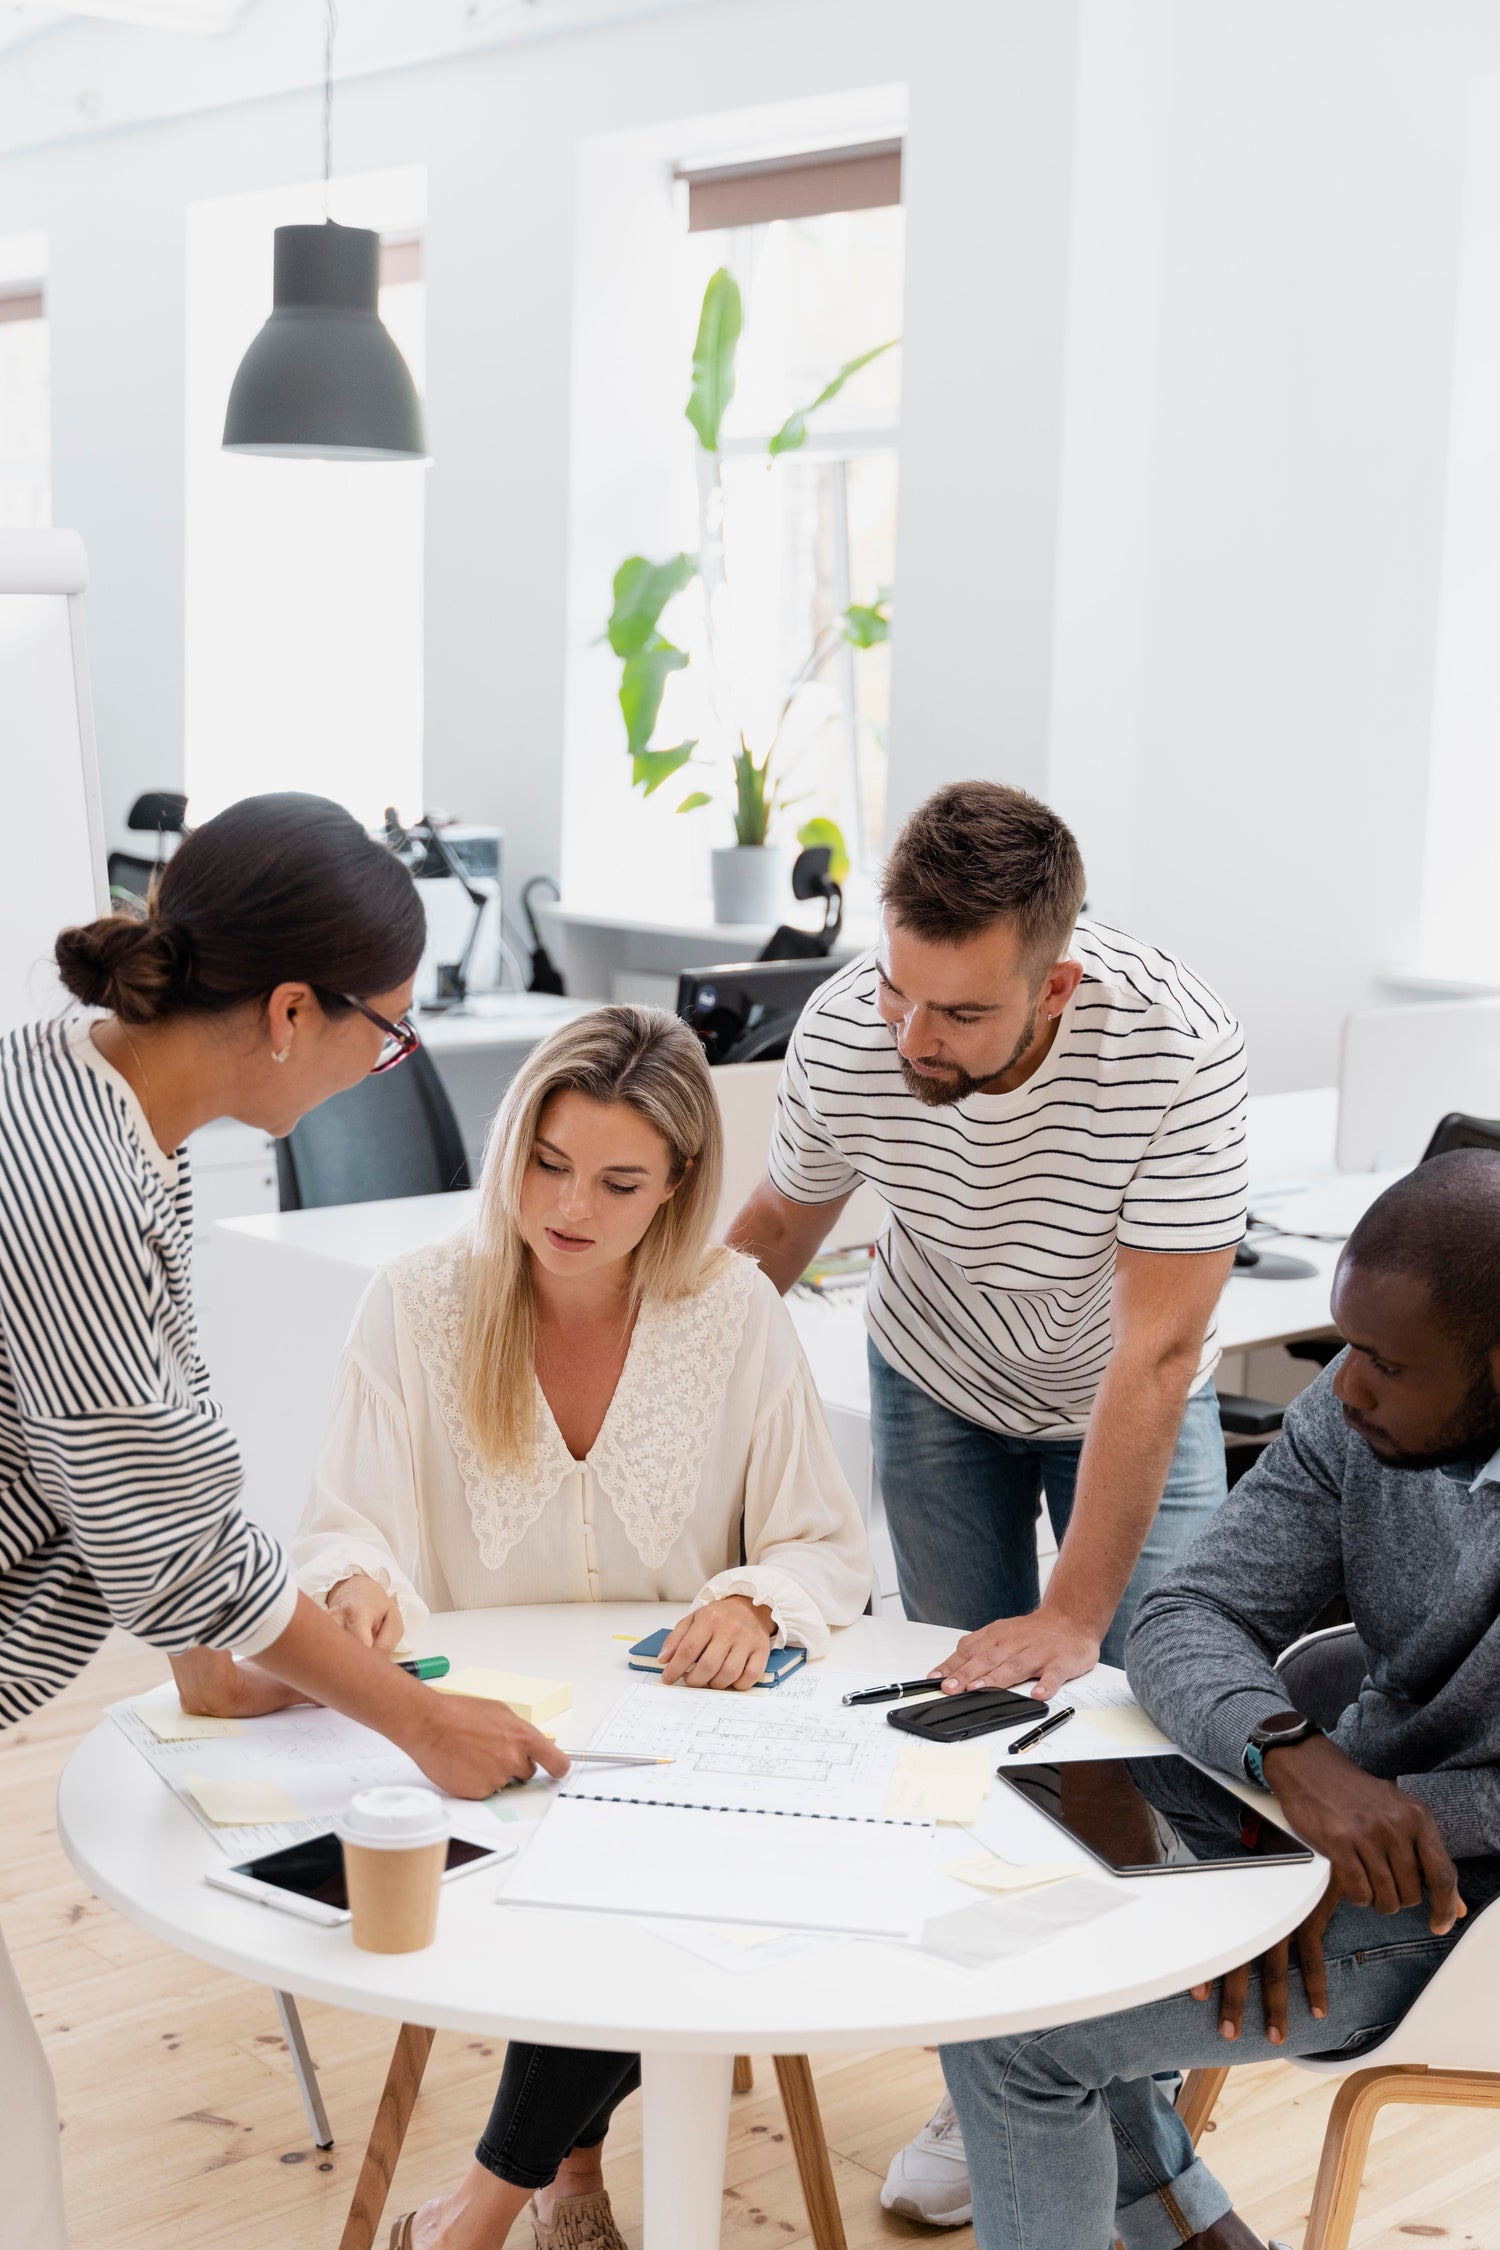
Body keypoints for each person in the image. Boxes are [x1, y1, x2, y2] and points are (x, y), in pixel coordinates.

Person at [0, 796, 565, 2250]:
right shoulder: (76, 1175)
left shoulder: (96, 1093)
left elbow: (151, 1448)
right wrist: (417, 1721)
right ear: (291, 1007)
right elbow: (177, 1534)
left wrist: (232, 1654)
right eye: (385, 1028)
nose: (383, 1061)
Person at [727, 780, 1247, 2224]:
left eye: (957, 1014)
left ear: (1055, 982)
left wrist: (1077, 1611)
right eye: (899, 989)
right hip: (936, 1377)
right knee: (965, 1756)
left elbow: (1156, 1355)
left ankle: (1070, 2091)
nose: (912, 1038)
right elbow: (770, 1241)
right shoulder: (853, 1029)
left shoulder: (1176, 1050)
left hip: (1121, 1393)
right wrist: (634, 1405)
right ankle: (1020, 2101)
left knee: (1148, 1755)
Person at [285, 1005, 870, 2250]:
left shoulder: (735, 1313)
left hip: (680, 1739)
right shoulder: (419, 1302)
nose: (572, 1207)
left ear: (677, 1188)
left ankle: (491, 2202)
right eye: (547, 1163)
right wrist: (359, 1583)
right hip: (480, 1742)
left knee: (651, 1871)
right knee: (615, 1881)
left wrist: (752, 1597)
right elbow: (346, 1522)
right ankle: (558, 2178)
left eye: (619, 1181)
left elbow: (824, 1545)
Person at [937, 1149, 1500, 2250]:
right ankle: (1191, 2232)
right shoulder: (1351, 1424)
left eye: (1385, 1361)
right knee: (999, 1931)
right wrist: (1295, 1767)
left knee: (1013, 2037)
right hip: (1347, 1818)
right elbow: (1180, 1616)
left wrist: (1317, 1851)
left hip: (1472, 1899)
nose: (1343, 1386)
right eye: (1344, 1343)